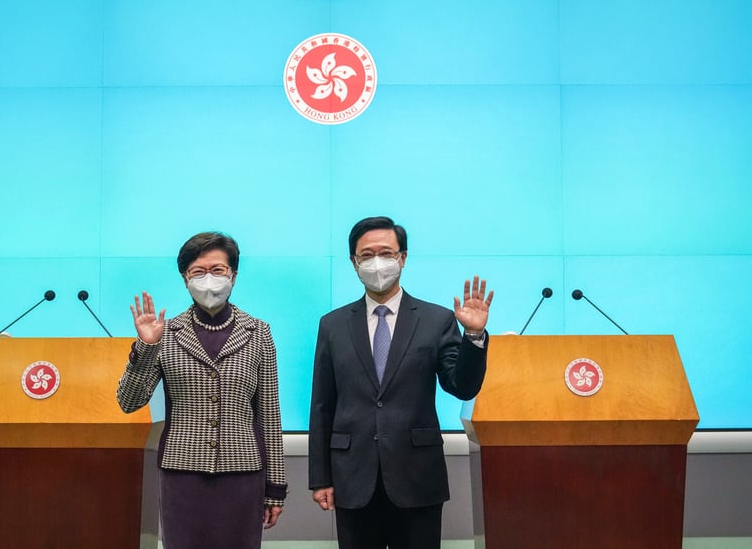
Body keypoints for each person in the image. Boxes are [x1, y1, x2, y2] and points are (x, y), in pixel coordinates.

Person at [308, 216, 493, 549]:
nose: (377, 263)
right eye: (367, 255)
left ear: (402, 258)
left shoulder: (436, 319)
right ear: (353, 262)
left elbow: (462, 387)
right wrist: (320, 478)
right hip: (352, 477)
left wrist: (474, 335)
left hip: (417, 475)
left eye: (386, 253)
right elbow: (322, 405)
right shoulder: (333, 325)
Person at [116, 231, 286, 549]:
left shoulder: (259, 332)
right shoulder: (166, 333)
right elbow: (129, 402)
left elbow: (269, 415)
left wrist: (276, 487)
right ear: (185, 279)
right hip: (182, 474)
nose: (209, 279)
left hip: (243, 474)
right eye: (198, 272)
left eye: (217, 270)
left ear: (233, 276)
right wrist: (147, 347)